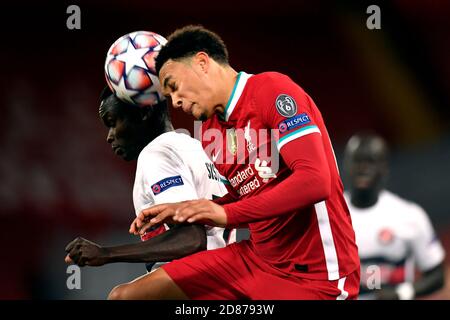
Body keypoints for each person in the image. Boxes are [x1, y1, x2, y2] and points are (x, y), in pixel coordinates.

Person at [111, 25, 360, 300]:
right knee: (127, 296)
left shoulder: (272, 90)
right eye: (168, 97)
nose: (176, 101)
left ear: (202, 62)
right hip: (256, 260)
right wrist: (188, 210)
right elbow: (251, 194)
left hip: (315, 277)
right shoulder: (208, 131)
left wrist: (224, 214)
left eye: (174, 86)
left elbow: (315, 181)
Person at [64, 85, 236, 272]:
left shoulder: (156, 153)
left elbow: (191, 238)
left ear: (144, 112)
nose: (109, 136)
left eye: (113, 122)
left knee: (120, 294)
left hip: (196, 283)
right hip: (224, 274)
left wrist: (105, 253)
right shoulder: (197, 148)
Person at [343, 132, 446, 300]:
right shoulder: (329, 215)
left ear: (384, 167)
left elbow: (436, 276)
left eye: (370, 162)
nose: (362, 169)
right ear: (346, 165)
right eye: (357, 161)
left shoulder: (409, 215)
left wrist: (402, 294)